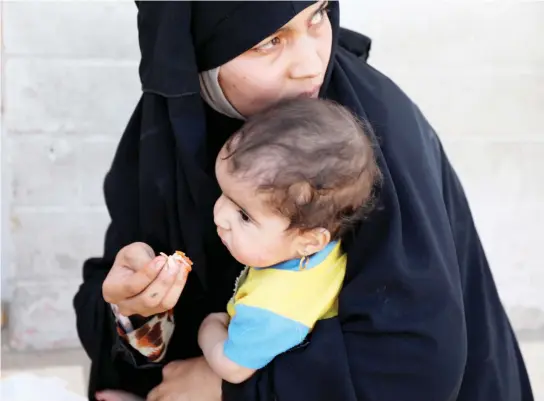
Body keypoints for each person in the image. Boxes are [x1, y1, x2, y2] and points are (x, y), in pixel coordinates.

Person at [74, 1, 534, 401]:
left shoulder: (364, 140)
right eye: (269, 41)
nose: (311, 64)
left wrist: (229, 389)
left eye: (318, 15)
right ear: (197, 53)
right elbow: (137, 342)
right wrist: (137, 311)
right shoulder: (165, 136)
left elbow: (415, 360)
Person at [197, 98, 380, 384]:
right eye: (224, 194)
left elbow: (232, 369)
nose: (219, 216)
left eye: (244, 216)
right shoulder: (316, 240)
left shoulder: (271, 310)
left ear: (309, 241)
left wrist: (210, 327)